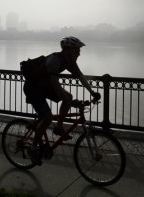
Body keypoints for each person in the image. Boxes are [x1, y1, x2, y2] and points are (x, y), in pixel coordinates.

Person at [23, 36, 101, 166]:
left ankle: (59, 127)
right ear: (67, 50)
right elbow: (55, 83)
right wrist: (67, 101)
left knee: (68, 98)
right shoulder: (55, 60)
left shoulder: (70, 62)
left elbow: (81, 77)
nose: (79, 53)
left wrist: (92, 92)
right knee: (47, 117)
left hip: (45, 86)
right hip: (33, 88)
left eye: (79, 50)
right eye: (77, 50)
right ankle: (33, 148)